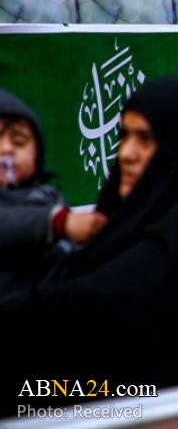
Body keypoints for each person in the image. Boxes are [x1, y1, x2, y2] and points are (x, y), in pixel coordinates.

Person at [0, 77, 178, 411]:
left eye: (145, 139)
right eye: (124, 136)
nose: (126, 154)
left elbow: (66, 319)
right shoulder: (137, 232)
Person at [0, 89, 106, 293]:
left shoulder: (47, 196)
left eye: (19, 141)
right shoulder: (55, 217)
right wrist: (59, 222)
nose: (7, 150)